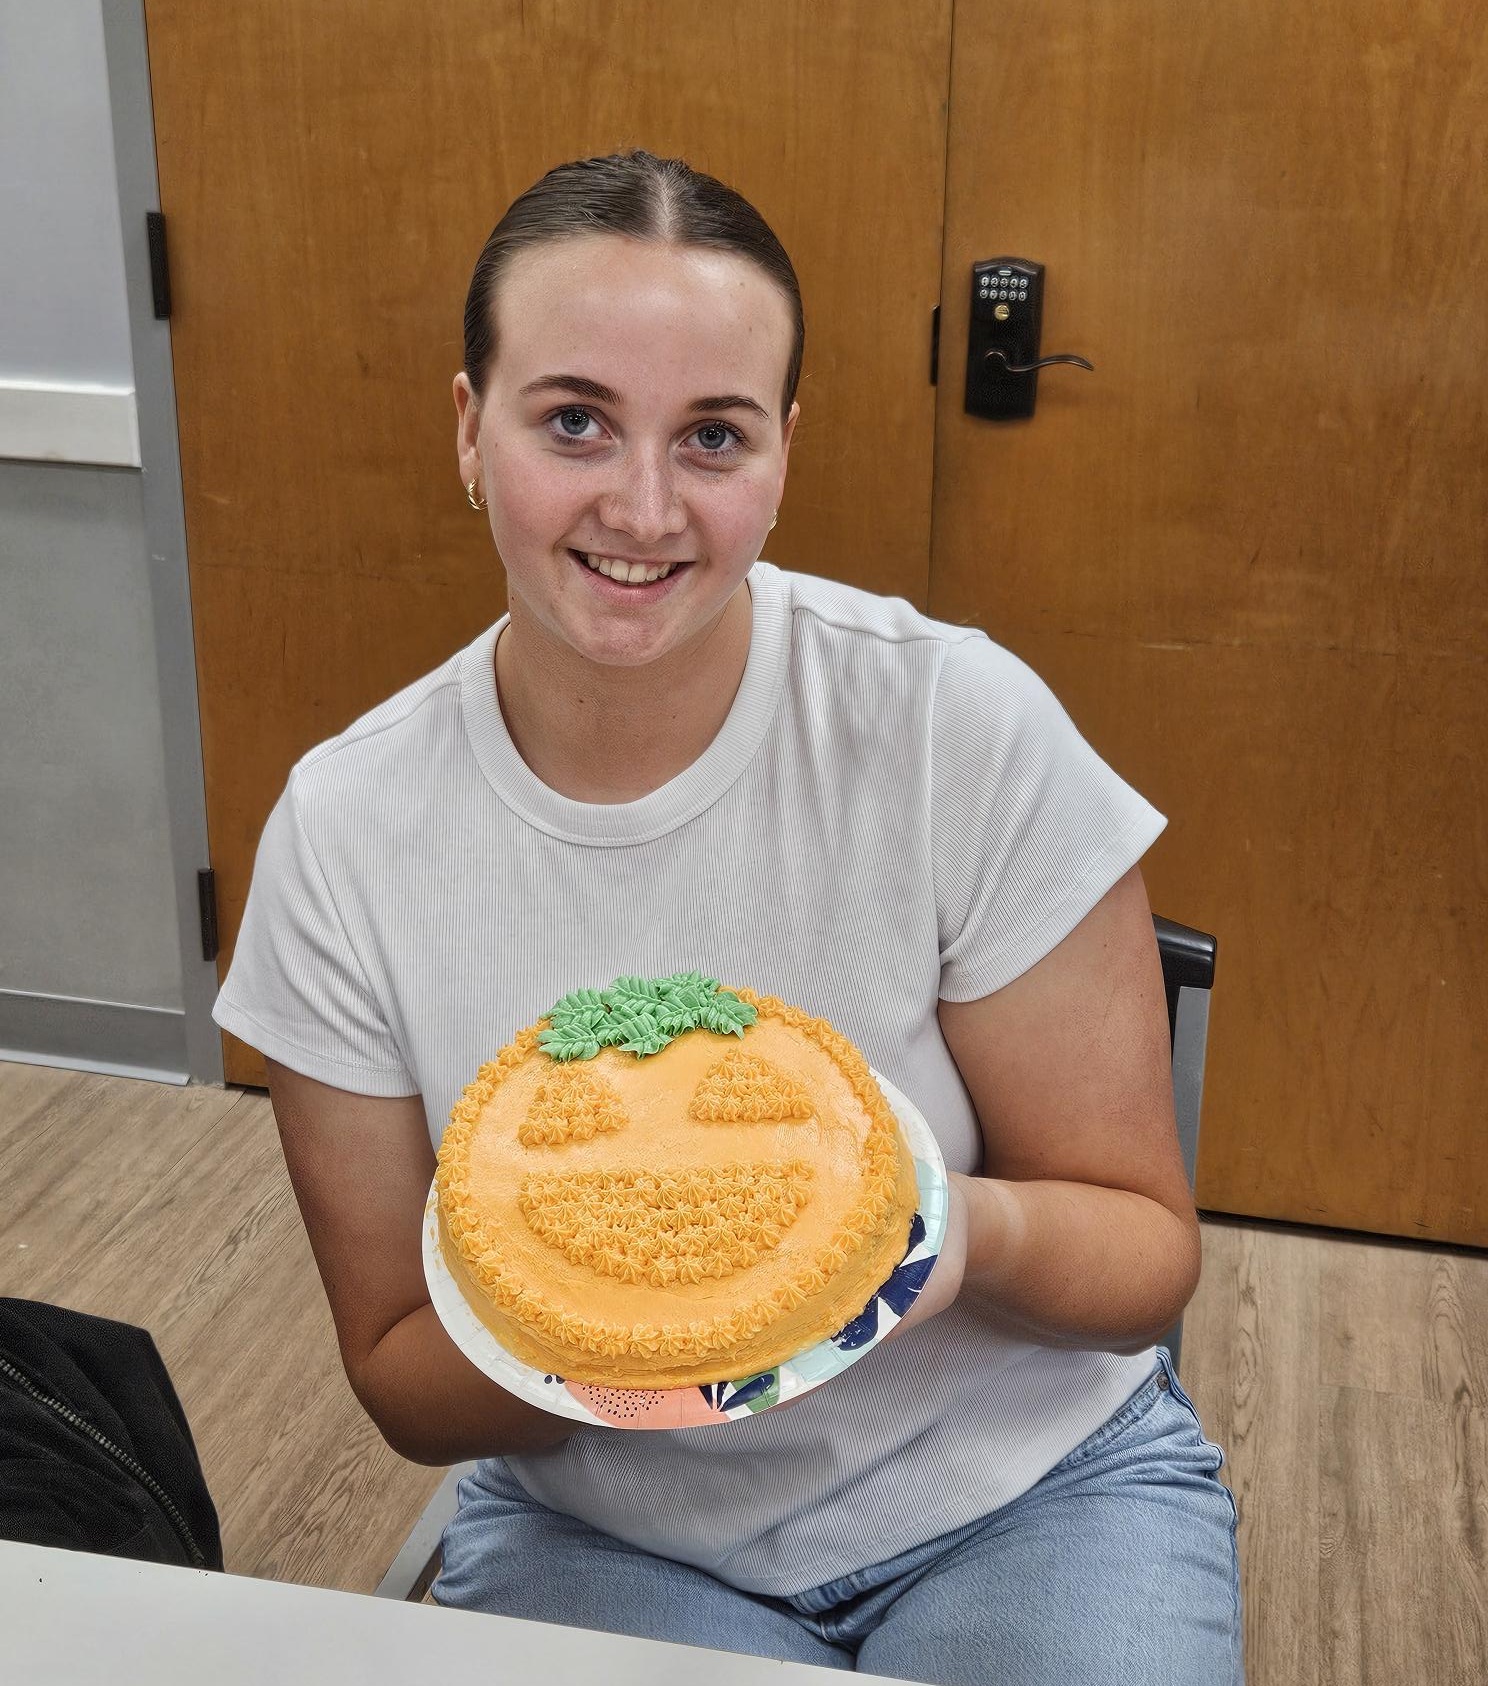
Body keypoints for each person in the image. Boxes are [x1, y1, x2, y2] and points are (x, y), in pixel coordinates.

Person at [215, 150, 1242, 1683]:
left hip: (1026, 1492)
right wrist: (654, 1327)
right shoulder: (347, 834)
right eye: (574, 419)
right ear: (468, 433)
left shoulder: (954, 726)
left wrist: (934, 1239)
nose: (643, 506)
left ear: (784, 452)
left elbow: (1147, 1258)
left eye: (712, 434)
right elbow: (406, 1378)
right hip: (607, 1535)